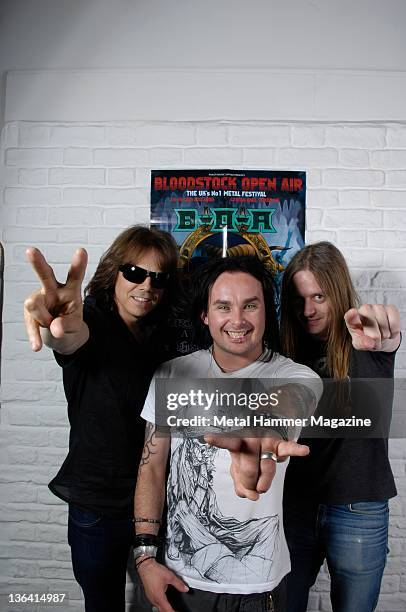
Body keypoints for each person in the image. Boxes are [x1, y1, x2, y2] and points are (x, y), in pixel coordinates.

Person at [133, 256, 322, 612]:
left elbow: (294, 399)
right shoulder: (172, 375)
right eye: (223, 306)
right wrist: (145, 558)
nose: (237, 320)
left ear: (267, 311)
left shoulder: (295, 376)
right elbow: (152, 467)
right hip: (178, 582)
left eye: (250, 305)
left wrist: (263, 427)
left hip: (257, 589)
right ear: (205, 315)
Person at [23, 225, 179, 612]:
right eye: (135, 273)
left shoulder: (160, 336)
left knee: (168, 601)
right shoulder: (89, 319)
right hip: (98, 506)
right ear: (114, 272)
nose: (146, 285)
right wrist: (57, 325)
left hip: (159, 502)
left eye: (158, 277)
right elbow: (68, 337)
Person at [280, 241, 401, 612]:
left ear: (338, 292)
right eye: (299, 298)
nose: (308, 309)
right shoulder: (283, 349)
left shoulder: (366, 341)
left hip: (358, 508)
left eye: (319, 296)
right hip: (294, 507)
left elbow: (387, 336)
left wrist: (385, 336)